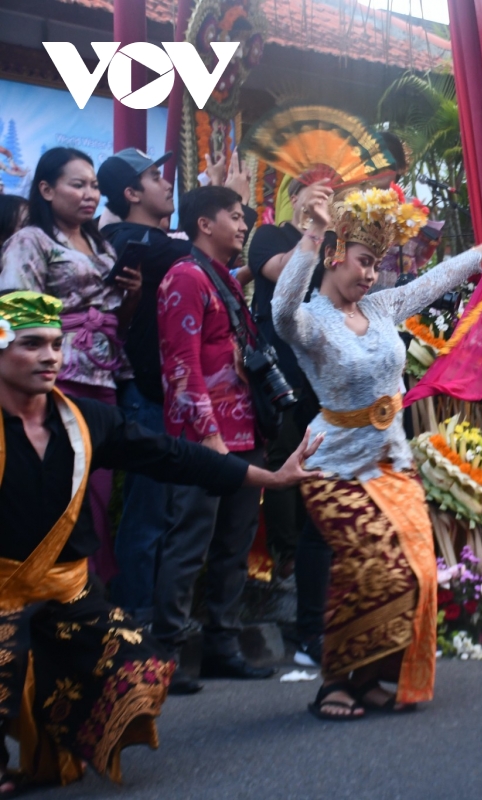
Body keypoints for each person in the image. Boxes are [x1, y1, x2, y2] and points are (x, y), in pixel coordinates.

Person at [0, 290, 321, 793]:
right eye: (30, 344)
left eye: (57, 344)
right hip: (1, 596)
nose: (49, 357)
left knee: (141, 667)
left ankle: (58, 734)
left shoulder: (86, 420)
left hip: (66, 592)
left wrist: (267, 478)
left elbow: (173, 456)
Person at [273, 184, 482, 720]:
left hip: (392, 462)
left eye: (375, 265)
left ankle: (373, 676)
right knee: (369, 567)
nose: (369, 275)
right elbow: (280, 309)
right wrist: (312, 230)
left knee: (418, 572)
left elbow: (435, 280)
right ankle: (334, 681)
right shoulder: (310, 322)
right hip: (334, 465)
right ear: (335, 258)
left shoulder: (382, 306)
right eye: (361, 262)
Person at [0, 147, 142, 585]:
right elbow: (14, 310)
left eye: (94, 186)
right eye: (76, 184)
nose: (90, 194)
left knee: (95, 485)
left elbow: (118, 317)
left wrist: (132, 293)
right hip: (56, 380)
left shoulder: (100, 243)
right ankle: (61, 591)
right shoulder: (31, 241)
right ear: (46, 189)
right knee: (68, 490)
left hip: (103, 375)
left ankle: (86, 590)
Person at [153, 186, 272, 693]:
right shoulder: (184, 277)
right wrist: (210, 440)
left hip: (245, 437)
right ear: (205, 223)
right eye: (234, 216)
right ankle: (165, 657)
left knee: (233, 547)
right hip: (204, 443)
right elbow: (181, 368)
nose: (243, 225)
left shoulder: (221, 278)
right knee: (188, 546)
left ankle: (223, 647)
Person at [97, 148, 191, 623]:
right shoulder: (128, 240)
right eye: (155, 176)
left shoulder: (154, 240)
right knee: (147, 515)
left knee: (164, 514)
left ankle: (152, 622)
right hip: (143, 394)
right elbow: (193, 250)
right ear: (131, 193)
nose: (165, 182)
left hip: (165, 395)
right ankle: (134, 623)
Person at [246, 177, 328, 666]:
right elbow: (281, 273)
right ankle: (286, 554)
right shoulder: (271, 235)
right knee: (281, 458)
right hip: (277, 367)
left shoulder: (332, 243)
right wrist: (313, 235)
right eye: (313, 192)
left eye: (329, 195)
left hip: (320, 366)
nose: (322, 201)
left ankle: (318, 544)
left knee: (321, 457)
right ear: (293, 197)